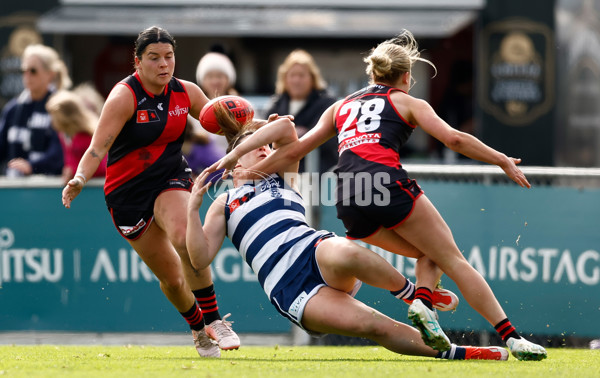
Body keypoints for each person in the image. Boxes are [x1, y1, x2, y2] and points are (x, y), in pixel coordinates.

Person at [219, 30, 548, 361]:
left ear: (371, 73)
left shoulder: (340, 106)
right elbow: (455, 140)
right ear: (406, 76)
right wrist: (500, 159)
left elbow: (299, 148)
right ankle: (512, 337)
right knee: (451, 258)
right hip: (384, 182)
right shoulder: (406, 101)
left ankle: (422, 300)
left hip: (347, 196)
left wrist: (242, 168)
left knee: (427, 254)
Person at [186, 105, 509, 361]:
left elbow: (285, 128)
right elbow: (199, 259)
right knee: (376, 326)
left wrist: (249, 130)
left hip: (315, 253)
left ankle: (413, 295)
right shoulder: (224, 201)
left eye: (267, 145)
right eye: (253, 146)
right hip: (288, 286)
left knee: (348, 249)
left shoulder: (283, 175)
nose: (265, 149)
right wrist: (191, 209)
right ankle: (458, 353)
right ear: (235, 165)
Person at [60, 26, 239, 358]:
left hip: (170, 177)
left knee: (187, 237)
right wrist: (80, 179)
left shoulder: (186, 92)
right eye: (154, 58)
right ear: (137, 62)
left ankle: (215, 320)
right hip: (127, 195)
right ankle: (199, 329)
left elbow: (229, 124)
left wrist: (262, 127)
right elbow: (97, 149)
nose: (163, 64)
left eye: (169, 57)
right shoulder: (123, 96)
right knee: (172, 280)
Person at [0, 44, 71, 177]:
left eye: (33, 71)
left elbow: (60, 152)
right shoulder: (13, 109)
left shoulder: (60, 107)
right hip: (13, 185)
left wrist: (32, 166)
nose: (27, 75)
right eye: (23, 71)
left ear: (50, 74)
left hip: (48, 187)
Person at [264, 49, 337, 174]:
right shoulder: (276, 104)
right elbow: (265, 137)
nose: (296, 80)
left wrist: (285, 135)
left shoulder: (327, 103)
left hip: (318, 176)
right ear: (285, 78)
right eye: (292, 75)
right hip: (281, 175)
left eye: (301, 75)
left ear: (312, 78)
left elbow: (326, 139)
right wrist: (299, 133)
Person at [46, 89, 107, 184]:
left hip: (96, 191)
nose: (51, 121)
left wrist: (75, 173)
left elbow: (102, 167)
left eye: (53, 116)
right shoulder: (64, 135)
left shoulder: (89, 135)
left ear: (64, 118)